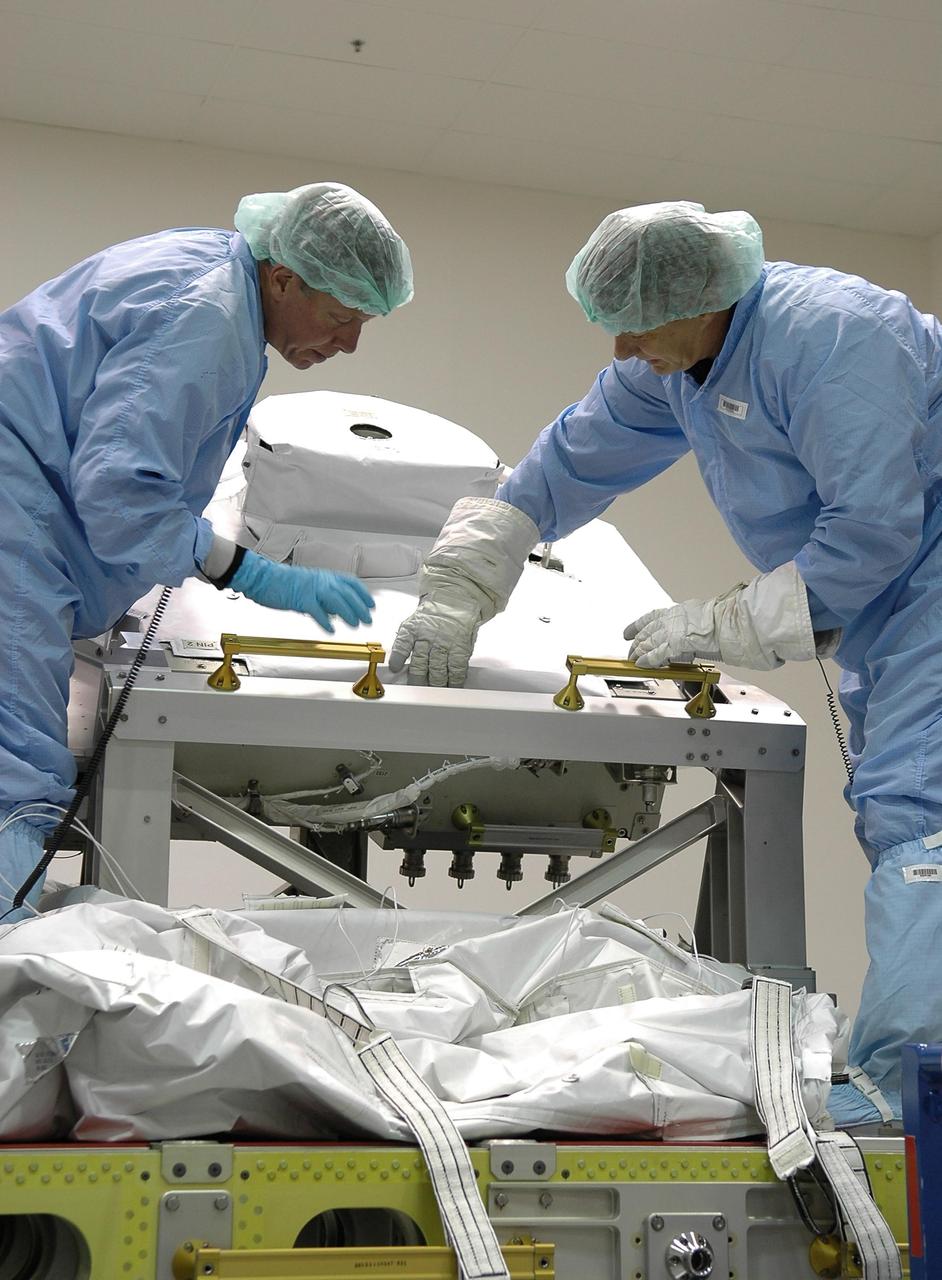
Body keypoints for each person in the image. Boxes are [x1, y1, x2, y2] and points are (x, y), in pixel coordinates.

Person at [390, 200, 942, 1127]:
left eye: (635, 325)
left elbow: (874, 530)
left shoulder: (833, 335)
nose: (620, 349)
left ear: (700, 296)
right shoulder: (679, 369)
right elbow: (561, 467)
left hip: (920, 583)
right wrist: (459, 585)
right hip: (892, 610)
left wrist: (724, 625)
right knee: (903, 814)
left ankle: (911, 1095)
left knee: (924, 823)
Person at [0, 181, 413, 922]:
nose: (349, 342)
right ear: (285, 278)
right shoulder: (207, 319)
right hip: (13, 531)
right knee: (11, 784)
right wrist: (241, 569)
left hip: (28, 525)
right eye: (343, 316)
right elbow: (120, 493)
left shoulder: (213, 276)